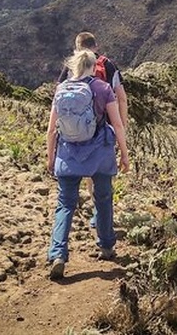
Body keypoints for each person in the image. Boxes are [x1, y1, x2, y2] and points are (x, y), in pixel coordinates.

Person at [46, 49, 130, 280]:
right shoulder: (103, 88)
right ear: (94, 67)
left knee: (65, 204)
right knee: (103, 198)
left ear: (73, 67)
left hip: (68, 153)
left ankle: (58, 254)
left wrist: (51, 157)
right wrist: (124, 154)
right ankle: (106, 246)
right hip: (100, 154)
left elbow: (52, 129)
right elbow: (117, 125)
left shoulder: (61, 89)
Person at [58, 32, 129, 227]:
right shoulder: (108, 64)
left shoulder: (71, 66)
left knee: (86, 173)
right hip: (104, 128)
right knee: (102, 173)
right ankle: (101, 216)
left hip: (76, 129)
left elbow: (59, 94)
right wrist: (121, 126)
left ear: (77, 48)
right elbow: (122, 98)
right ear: (96, 46)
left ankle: (87, 211)